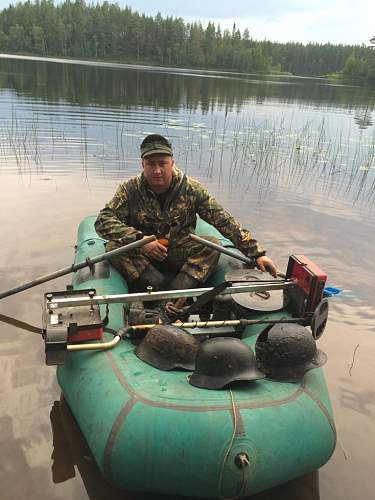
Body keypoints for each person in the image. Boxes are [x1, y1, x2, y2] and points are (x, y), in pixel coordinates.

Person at [95, 134, 277, 299]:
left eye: (162, 163)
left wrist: (257, 253)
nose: (157, 170)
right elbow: (103, 220)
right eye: (151, 164)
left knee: (213, 245)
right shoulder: (130, 189)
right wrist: (141, 241)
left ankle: (175, 294)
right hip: (144, 256)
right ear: (142, 164)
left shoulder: (191, 189)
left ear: (172, 163)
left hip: (179, 252)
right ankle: (157, 285)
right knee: (114, 247)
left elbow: (223, 220)